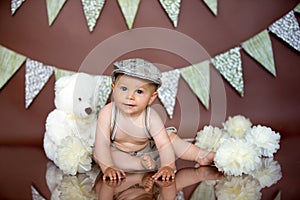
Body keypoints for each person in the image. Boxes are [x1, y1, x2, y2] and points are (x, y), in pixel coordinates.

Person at [93, 58, 214, 181]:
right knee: (100, 154)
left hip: (149, 153)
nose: (130, 96)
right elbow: (102, 144)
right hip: (118, 154)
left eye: (139, 91)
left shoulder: (151, 116)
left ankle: (200, 155)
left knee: (170, 138)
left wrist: (168, 166)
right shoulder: (107, 113)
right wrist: (108, 167)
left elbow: (163, 144)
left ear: (151, 98)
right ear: (113, 89)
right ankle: (139, 164)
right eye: (124, 89)